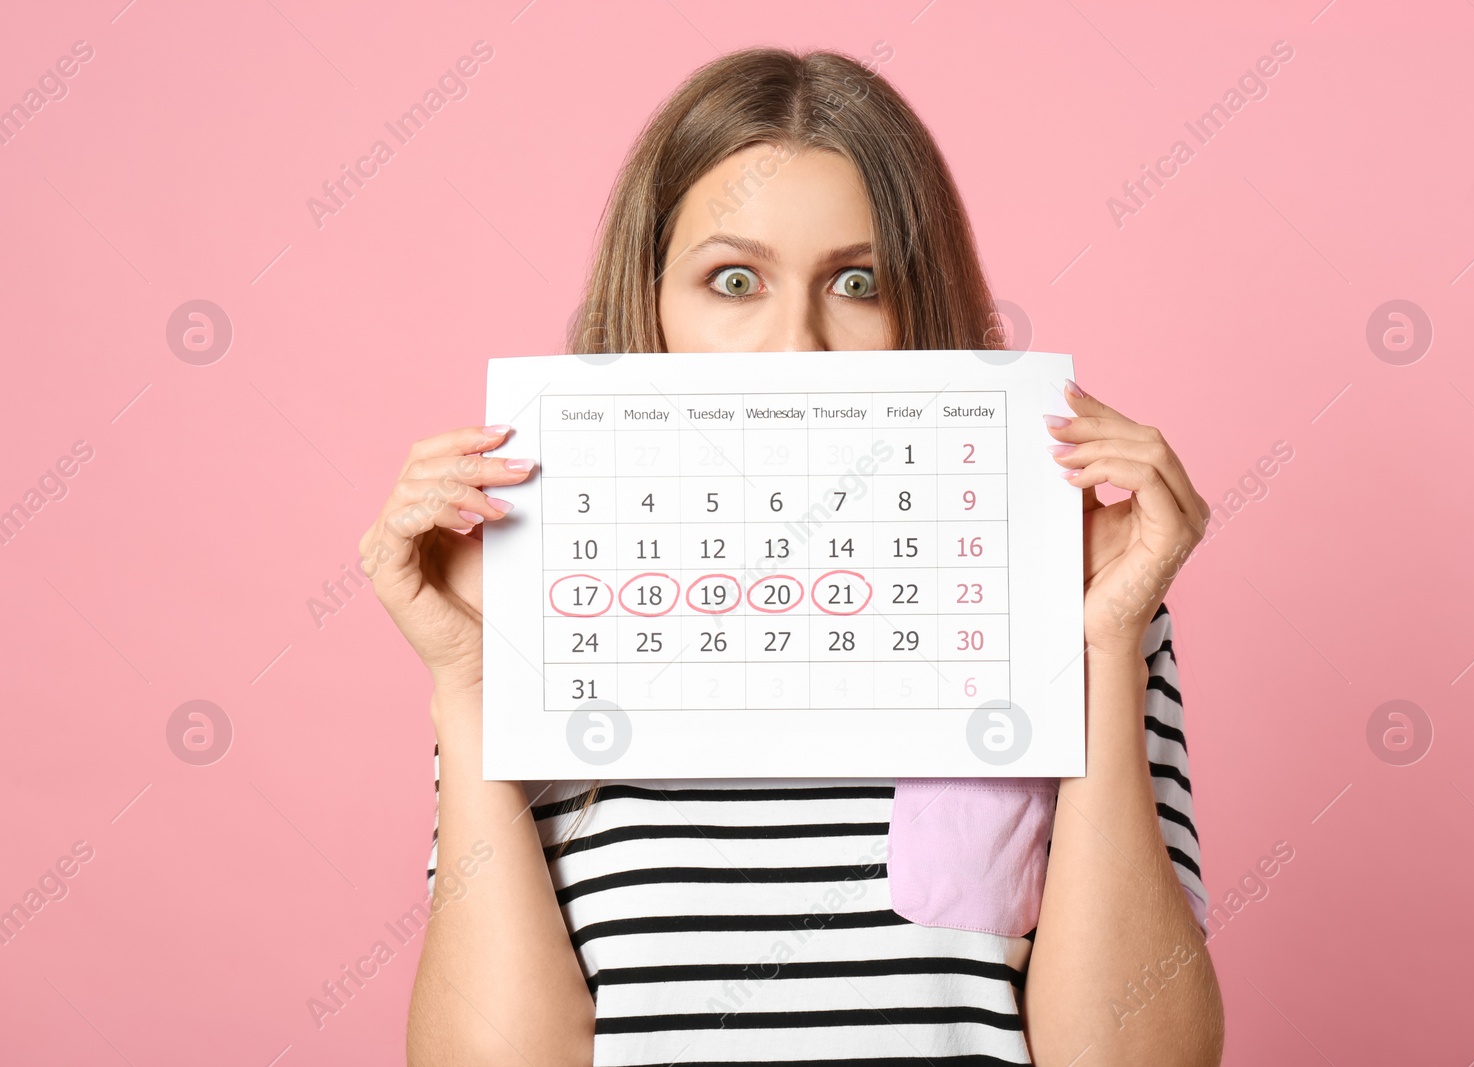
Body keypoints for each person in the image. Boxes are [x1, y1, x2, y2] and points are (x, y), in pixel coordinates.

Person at [362, 46, 1223, 1067]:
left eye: (857, 282)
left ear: (919, 311)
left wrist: (1106, 644)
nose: (796, 347)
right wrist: (466, 689)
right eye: (733, 279)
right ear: (653, 305)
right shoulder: (531, 590)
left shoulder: (1076, 591)